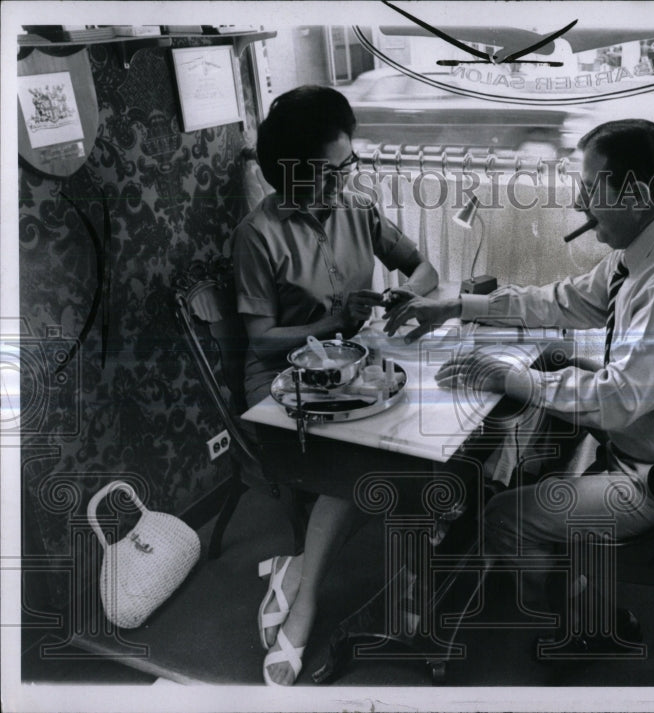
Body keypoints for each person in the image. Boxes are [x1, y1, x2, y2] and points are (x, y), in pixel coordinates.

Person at [382, 119, 654, 644]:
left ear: (635, 193)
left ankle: (584, 626)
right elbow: (565, 301)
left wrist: (513, 378)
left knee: (506, 516)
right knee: (555, 360)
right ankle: (527, 517)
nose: (580, 202)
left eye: (590, 188)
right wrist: (455, 304)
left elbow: (617, 401)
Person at [232, 85, 438, 685]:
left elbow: (422, 267)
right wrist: (328, 323)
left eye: (347, 166)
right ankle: (306, 605)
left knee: (406, 438)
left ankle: (297, 569)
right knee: (363, 462)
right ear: (287, 171)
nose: (342, 181)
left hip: (348, 373)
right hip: (281, 385)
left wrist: (409, 293)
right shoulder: (257, 234)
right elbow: (262, 339)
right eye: (328, 171)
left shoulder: (358, 205)